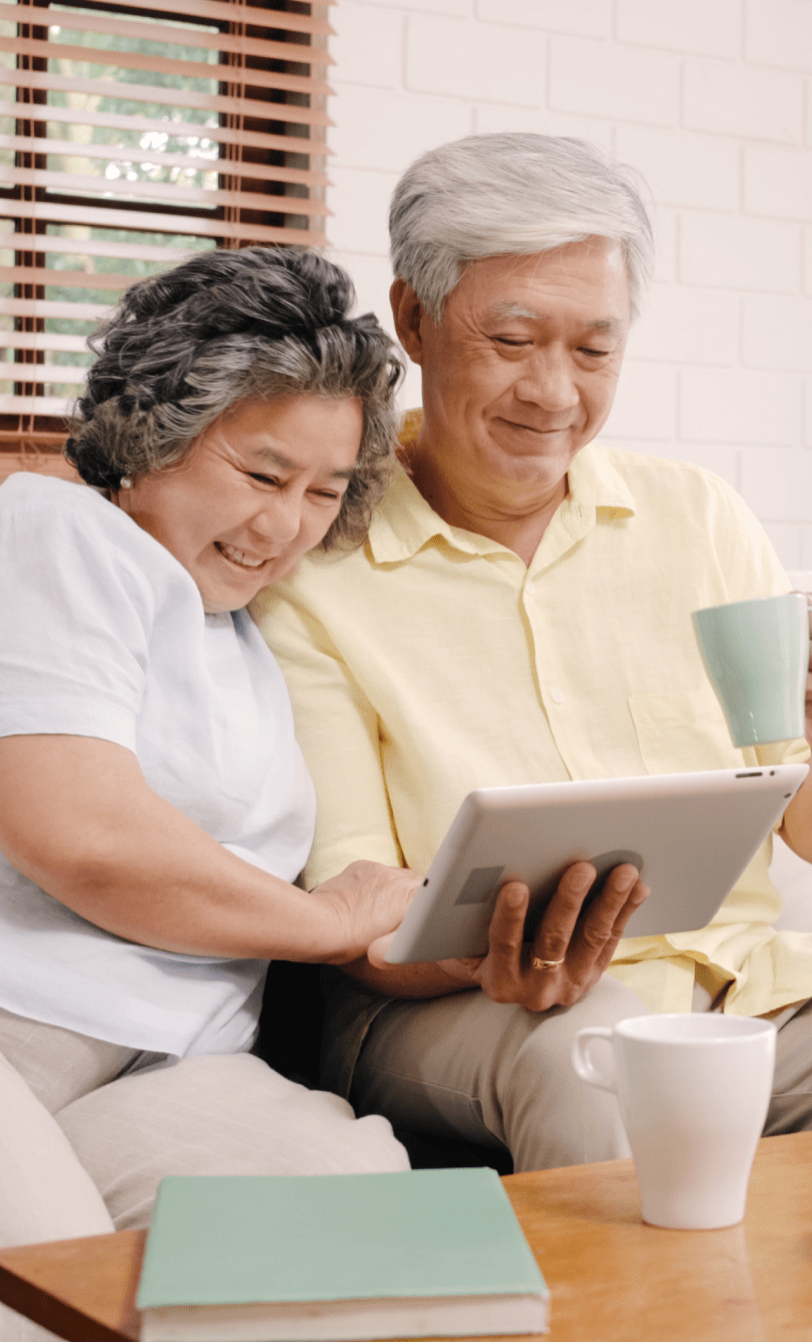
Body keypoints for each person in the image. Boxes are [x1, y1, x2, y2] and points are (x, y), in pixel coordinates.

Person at [0, 246, 419, 1342]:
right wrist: (323, 922)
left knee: (379, 1247)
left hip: (160, 1058)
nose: (287, 527)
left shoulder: (246, 632)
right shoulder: (51, 532)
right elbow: (83, 838)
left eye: (324, 491)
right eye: (261, 476)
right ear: (155, 430)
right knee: (19, 1292)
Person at [252, 134, 812, 1174]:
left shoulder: (702, 520)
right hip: (461, 1007)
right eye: (512, 339)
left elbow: (794, 805)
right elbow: (355, 907)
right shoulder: (317, 566)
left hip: (742, 985)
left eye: (594, 351)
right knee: (587, 1053)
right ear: (414, 320)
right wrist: (491, 948)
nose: (555, 393)